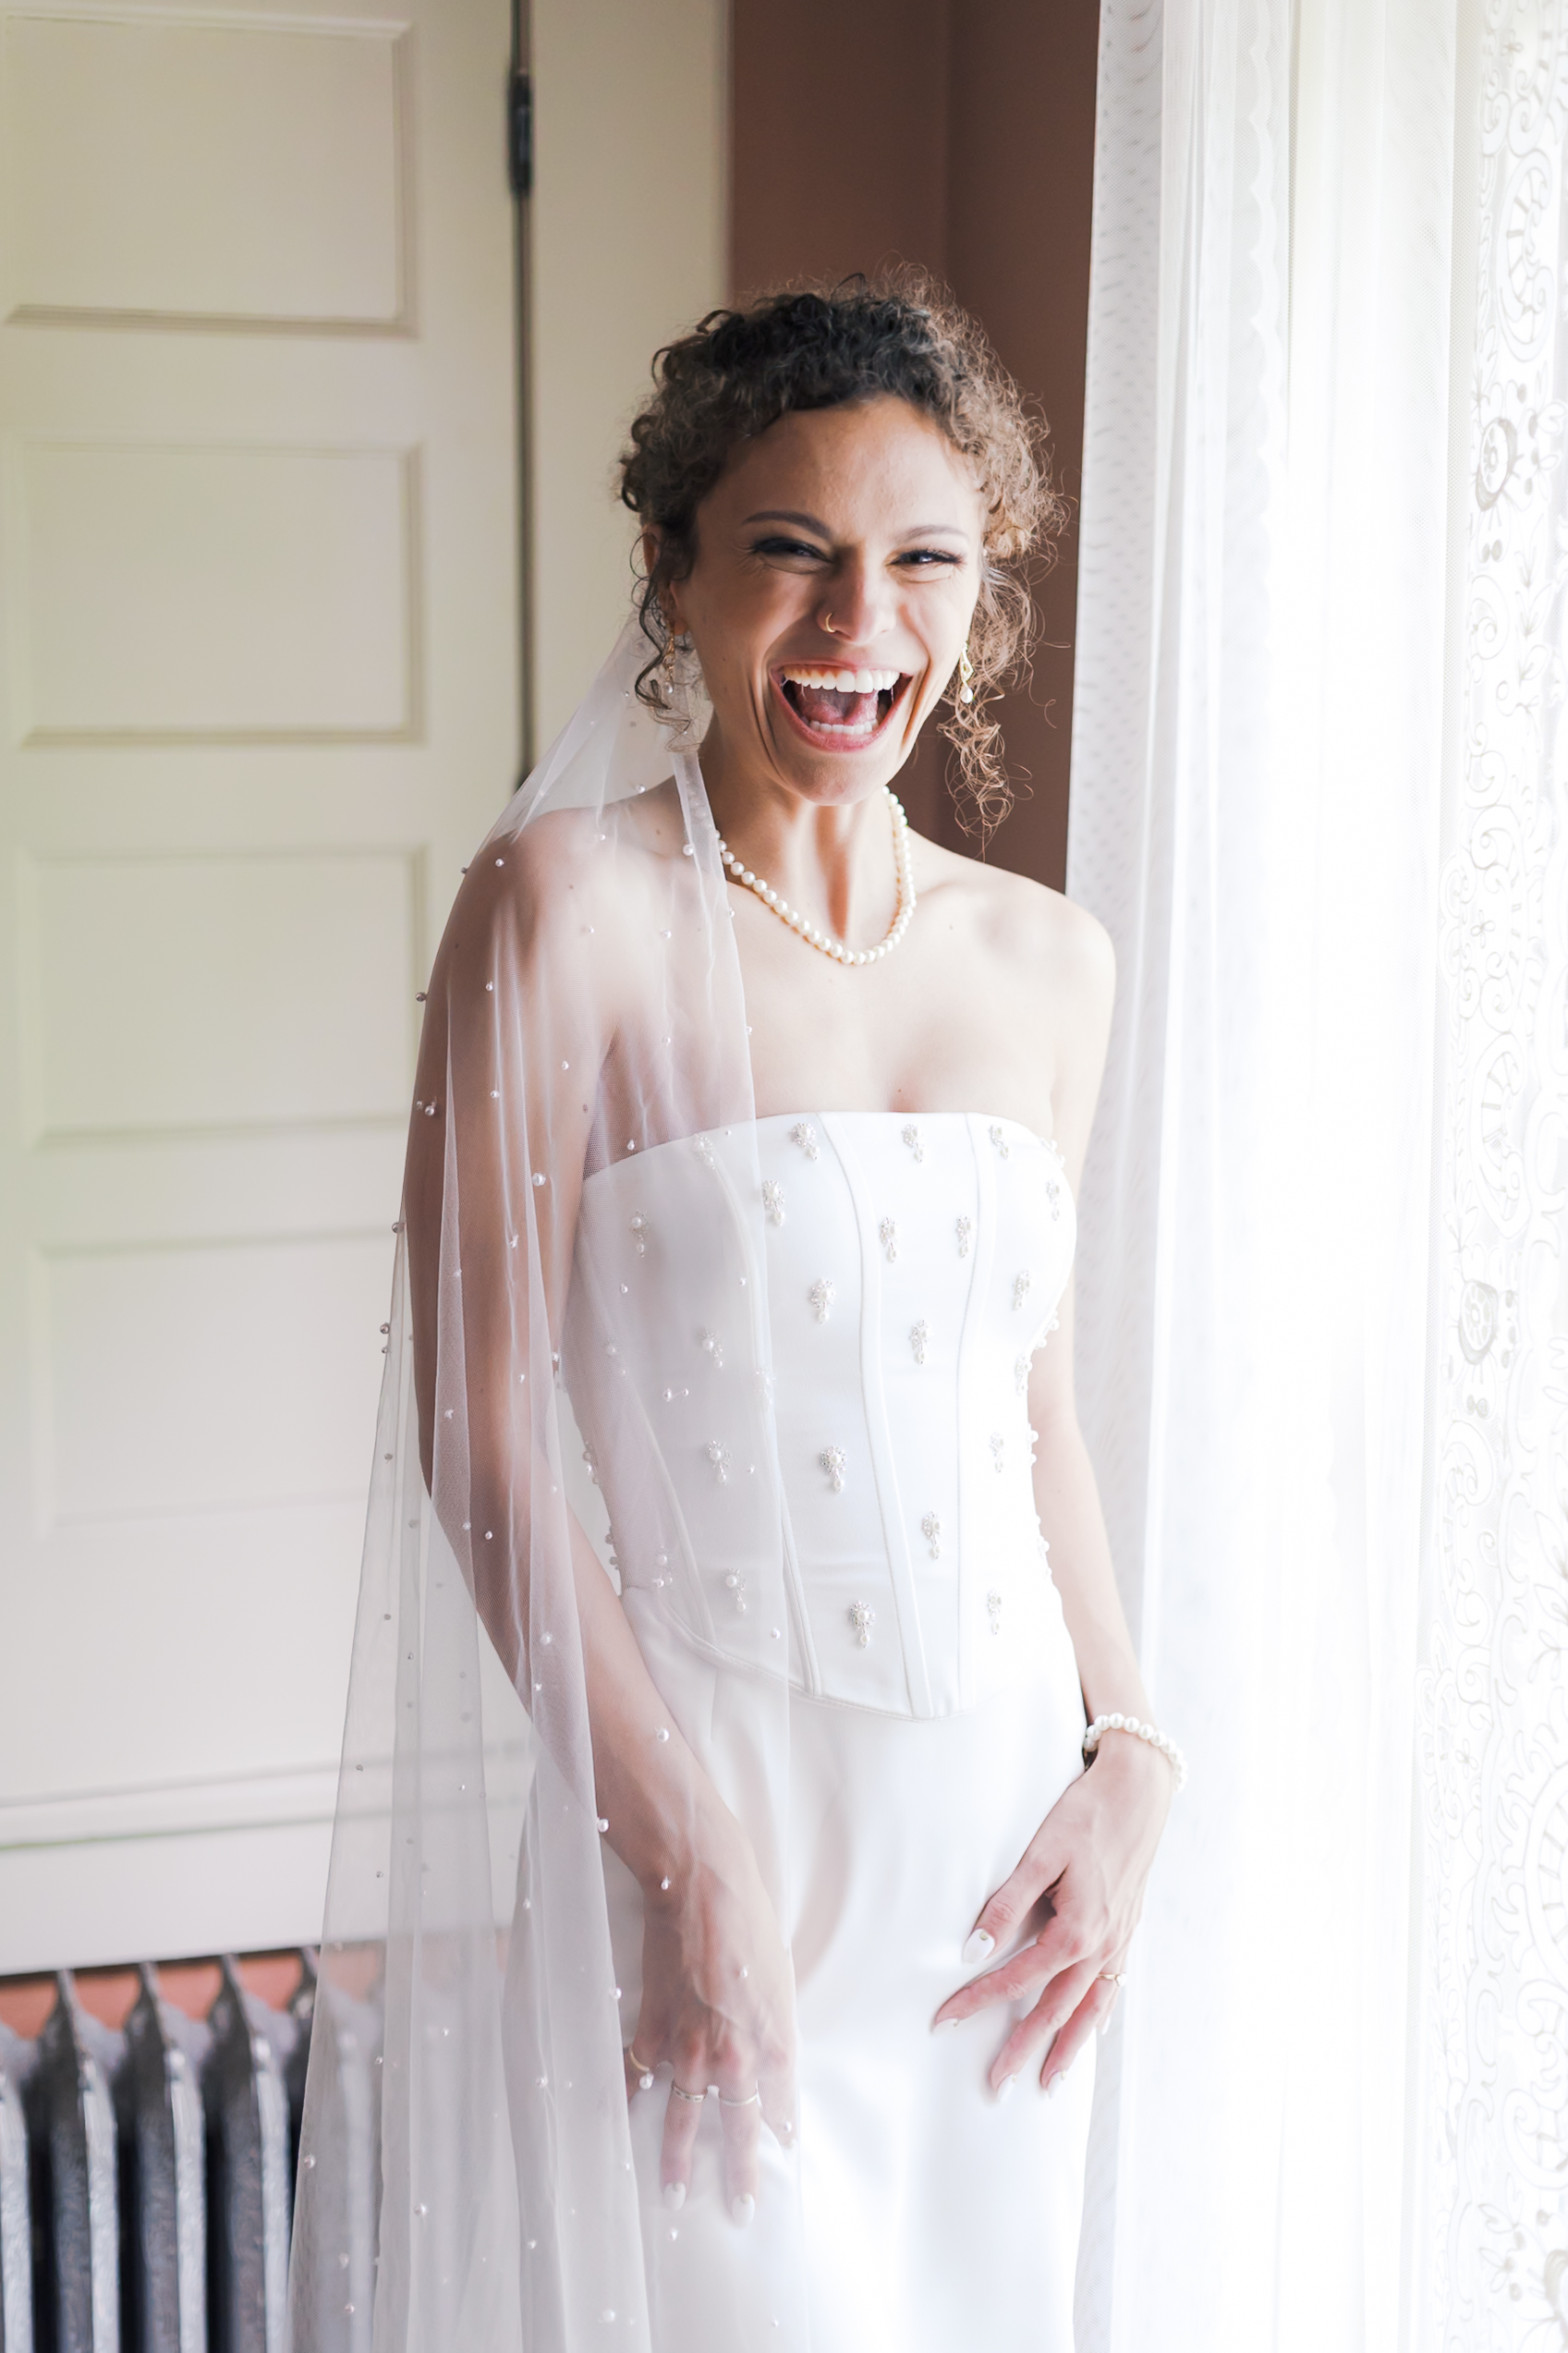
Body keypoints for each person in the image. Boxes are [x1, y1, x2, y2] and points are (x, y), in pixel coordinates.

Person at [289, 276, 1180, 2353]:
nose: (859, 622)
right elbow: (481, 1424)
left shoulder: (1053, 963)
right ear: (678, 578)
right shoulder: (565, 911)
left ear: (982, 593)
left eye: (920, 562)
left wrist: (1134, 1749)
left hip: (997, 1873)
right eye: (792, 552)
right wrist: (685, 1865)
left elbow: (1024, 1403)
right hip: (709, 1820)